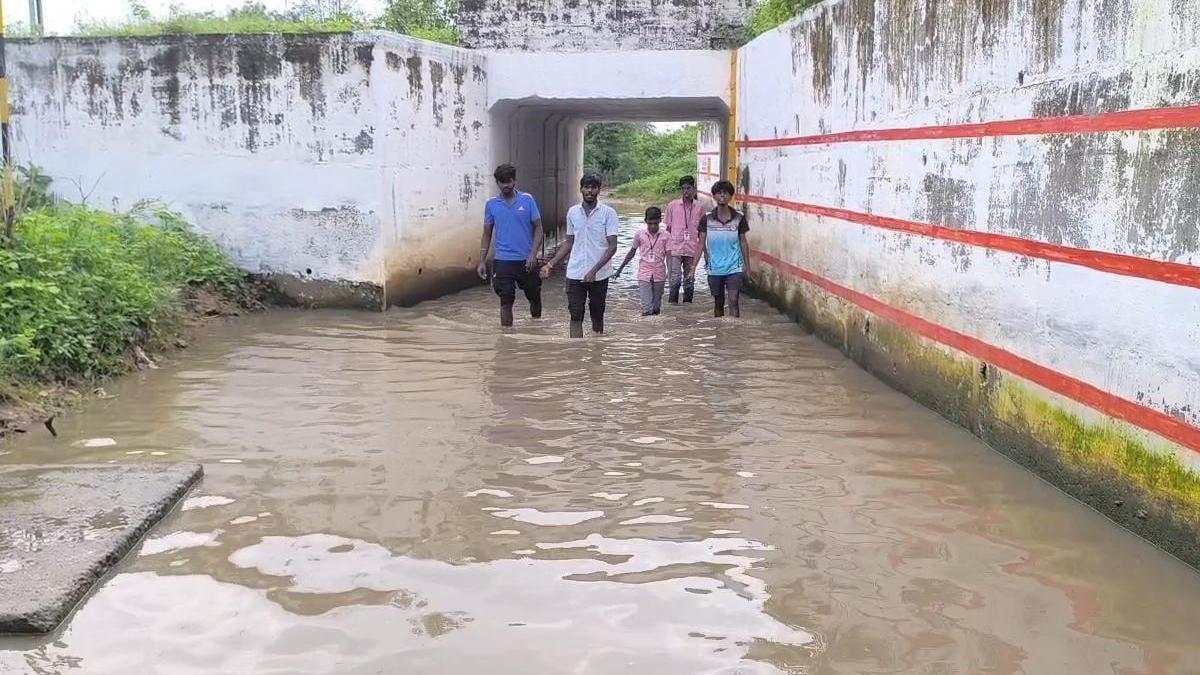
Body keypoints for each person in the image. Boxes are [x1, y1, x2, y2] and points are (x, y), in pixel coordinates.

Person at [540, 174, 619, 338]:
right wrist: (550, 264)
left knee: (597, 315)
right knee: (575, 315)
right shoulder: (572, 212)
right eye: (586, 187)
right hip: (575, 273)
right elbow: (568, 242)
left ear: (599, 189)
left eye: (593, 187)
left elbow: (612, 246)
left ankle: (597, 352)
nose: (589, 190)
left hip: (599, 275)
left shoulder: (608, 213)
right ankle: (576, 353)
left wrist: (593, 271)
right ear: (581, 189)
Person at [477, 164, 544, 327]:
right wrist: (482, 260)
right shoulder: (491, 204)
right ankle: (507, 340)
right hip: (503, 261)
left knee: (534, 296)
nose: (505, 185)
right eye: (502, 182)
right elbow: (487, 233)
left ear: (514, 180)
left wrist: (532, 254)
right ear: (497, 183)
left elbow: (539, 228)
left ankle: (536, 327)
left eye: (509, 181)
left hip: (526, 260)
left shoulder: (527, 200)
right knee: (505, 301)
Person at [691, 180, 750, 318]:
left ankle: (733, 332)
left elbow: (743, 242)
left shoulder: (739, 218)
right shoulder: (706, 219)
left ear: (731, 196)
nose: (722, 196)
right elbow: (700, 243)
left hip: (734, 267)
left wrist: (747, 267)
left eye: (726, 193)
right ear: (714, 196)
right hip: (715, 268)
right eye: (719, 193)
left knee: (734, 301)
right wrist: (693, 267)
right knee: (718, 302)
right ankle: (720, 333)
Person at [615, 206, 669, 316]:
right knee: (646, 307)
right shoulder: (639, 234)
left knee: (656, 307)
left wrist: (671, 272)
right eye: (650, 223)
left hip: (660, 274)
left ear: (660, 220)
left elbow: (670, 256)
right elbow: (632, 252)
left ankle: (656, 330)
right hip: (644, 273)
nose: (653, 226)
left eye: (655, 223)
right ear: (646, 221)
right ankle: (646, 330)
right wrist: (620, 269)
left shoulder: (666, 236)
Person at [663, 175, 707, 304]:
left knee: (689, 280)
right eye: (683, 189)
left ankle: (688, 308)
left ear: (694, 189)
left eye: (688, 188)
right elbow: (668, 229)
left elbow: (702, 232)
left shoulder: (700, 207)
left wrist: (705, 252)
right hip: (675, 248)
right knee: (675, 280)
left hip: (692, 248)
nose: (685, 191)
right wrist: (668, 248)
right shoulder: (672, 206)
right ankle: (673, 306)